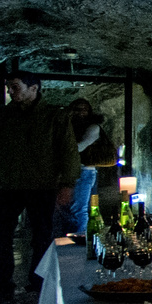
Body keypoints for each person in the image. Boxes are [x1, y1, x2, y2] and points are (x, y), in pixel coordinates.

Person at [0, 71, 80, 299]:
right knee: (2, 233)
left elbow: (67, 150)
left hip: (41, 184)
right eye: (8, 86)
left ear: (33, 88)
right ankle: (3, 283)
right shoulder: (5, 116)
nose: (10, 91)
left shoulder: (54, 116)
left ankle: (39, 284)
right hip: (9, 185)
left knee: (42, 235)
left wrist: (67, 183)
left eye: (15, 86)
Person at [52, 98, 105, 235]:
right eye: (77, 109)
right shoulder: (67, 126)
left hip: (84, 170)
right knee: (69, 208)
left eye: (84, 109)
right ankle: (75, 237)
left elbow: (80, 146)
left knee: (78, 208)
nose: (81, 113)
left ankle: (81, 239)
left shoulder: (92, 127)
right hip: (74, 169)